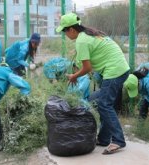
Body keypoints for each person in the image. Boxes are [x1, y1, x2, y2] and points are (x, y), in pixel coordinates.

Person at [56, 12, 130, 155]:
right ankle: (103, 138)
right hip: (120, 69)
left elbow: (87, 68)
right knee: (104, 103)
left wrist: (74, 76)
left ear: (71, 29)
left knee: (104, 104)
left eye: (65, 31)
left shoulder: (82, 40)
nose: (65, 34)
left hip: (114, 71)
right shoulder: (89, 33)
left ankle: (118, 140)